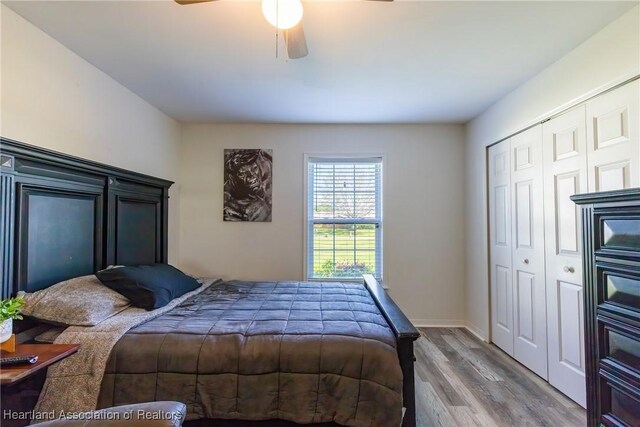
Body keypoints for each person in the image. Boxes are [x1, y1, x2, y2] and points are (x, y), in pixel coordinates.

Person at [223, 149, 272, 222]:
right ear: (233, 179)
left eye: (255, 168)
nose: (252, 176)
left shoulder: (264, 200)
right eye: (243, 173)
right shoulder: (230, 212)